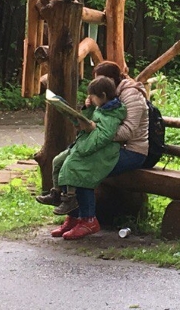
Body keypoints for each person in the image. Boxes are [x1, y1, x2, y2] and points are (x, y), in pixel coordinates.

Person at [45, 76, 127, 240]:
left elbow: (102, 137)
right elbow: (89, 123)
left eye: (93, 96)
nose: (90, 99)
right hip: (87, 147)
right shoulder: (100, 108)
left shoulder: (112, 115)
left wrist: (82, 149)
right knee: (59, 162)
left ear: (103, 95)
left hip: (102, 152)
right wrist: (87, 109)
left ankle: (88, 219)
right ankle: (69, 211)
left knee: (76, 168)